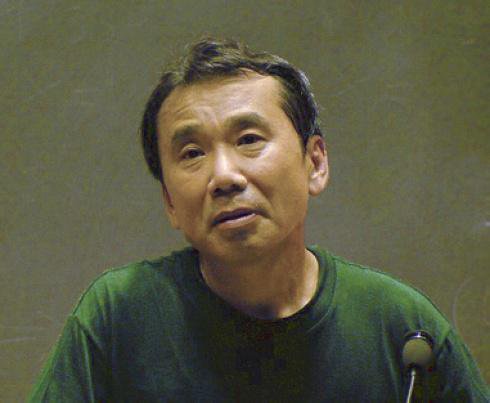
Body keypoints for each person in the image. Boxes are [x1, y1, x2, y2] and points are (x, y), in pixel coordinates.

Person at [29, 38, 488, 402]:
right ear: (169, 201)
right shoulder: (120, 317)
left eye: (249, 139)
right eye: (192, 153)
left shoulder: (401, 330)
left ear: (315, 163)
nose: (224, 176)